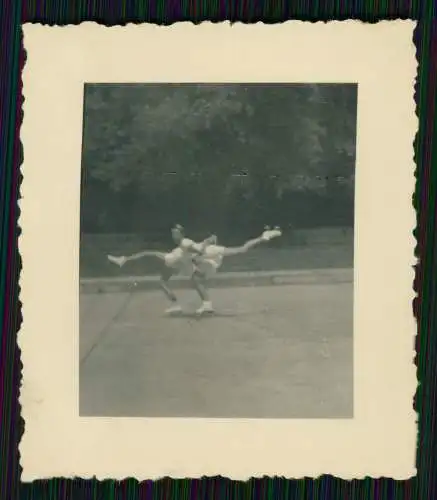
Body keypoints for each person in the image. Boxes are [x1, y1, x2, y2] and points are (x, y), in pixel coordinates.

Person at [107, 225, 214, 315]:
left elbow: (197, 251)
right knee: (165, 282)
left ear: (182, 234)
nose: (174, 236)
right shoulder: (185, 243)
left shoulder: (185, 242)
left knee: (147, 253)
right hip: (178, 262)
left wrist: (203, 247)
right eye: (173, 233)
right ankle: (200, 304)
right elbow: (195, 251)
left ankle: (123, 260)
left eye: (176, 233)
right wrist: (205, 243)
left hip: (172, 260)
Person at [191, 226, 282, 315]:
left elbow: (241, 249)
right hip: (206, 266)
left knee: (196, 278)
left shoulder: (215, 249)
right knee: (196, 280)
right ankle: (207, 304)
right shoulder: (202, 247)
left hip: (208, 266)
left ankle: (207, 304)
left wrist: (260, 239)